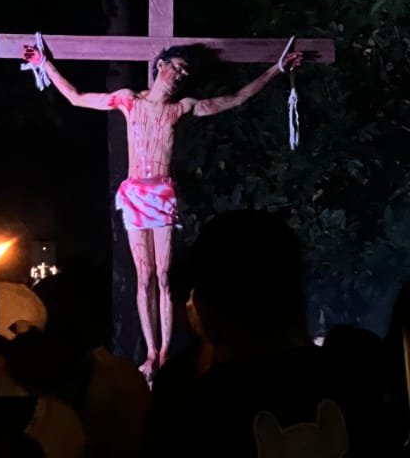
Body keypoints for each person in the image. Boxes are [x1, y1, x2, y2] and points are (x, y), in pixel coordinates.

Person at [21, 41, 303, 381]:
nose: (179, 75)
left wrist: (277, 69)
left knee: (164, 275)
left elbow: (235, 98)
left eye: (184, 72)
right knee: (144, 276)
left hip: (161, 192)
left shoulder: (181, 108)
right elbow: (77, 97)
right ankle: (152, 352)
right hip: (135, 193)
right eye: (176, 67)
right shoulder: (129, 100)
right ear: (160, 67)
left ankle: (165, 351)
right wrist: (45, 64)